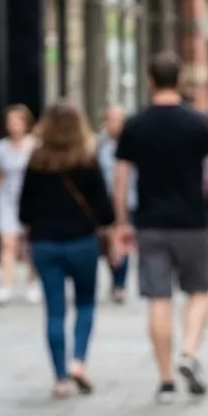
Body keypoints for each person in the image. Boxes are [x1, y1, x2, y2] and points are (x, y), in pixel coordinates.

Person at [113, 53, 208, 404]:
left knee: (158, 300)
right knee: (199, 292)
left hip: (150, 223)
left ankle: (166, 380)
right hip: (192, 223)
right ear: (179, 79)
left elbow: (121, 179)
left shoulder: (135, 124)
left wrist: (122, 222)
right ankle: (190, 351)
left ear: (150, 79)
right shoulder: (197, 122)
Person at [20, 100, 116, 399]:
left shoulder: (36, 160)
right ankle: (79, 361)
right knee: (86, 303)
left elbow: (24, 211)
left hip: (45, 244)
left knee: (55, 310)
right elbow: (105, 211)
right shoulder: (88, 159)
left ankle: (60, 378)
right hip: (82, 243)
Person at [0, 104, 38, 306]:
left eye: (18, 121)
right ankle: (6, 284)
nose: (14, 126)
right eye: (10, 122)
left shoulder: (36, 146)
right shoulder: (0, 148)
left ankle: (32, 282)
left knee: (30, 244)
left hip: (31, 199)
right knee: (7, 242)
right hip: (7, 199)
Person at [98, 105, 135, 304]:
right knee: (106, 243)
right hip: (104, 201)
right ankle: (114, 277)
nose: (116, 125)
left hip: (128, 200)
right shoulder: (98, 146)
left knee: (123, 240)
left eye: (120, 120)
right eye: (112, 120)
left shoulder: (133, 144)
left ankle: (120, 284)